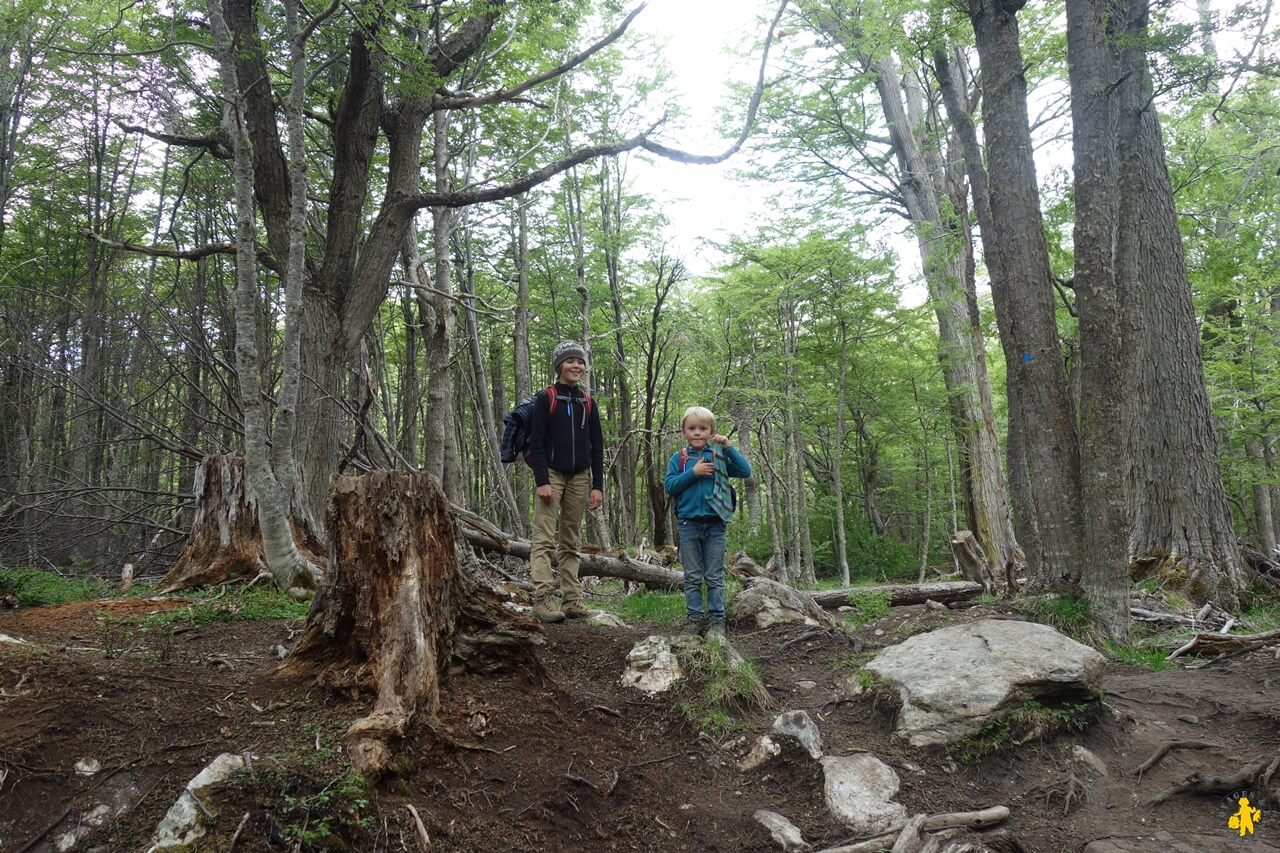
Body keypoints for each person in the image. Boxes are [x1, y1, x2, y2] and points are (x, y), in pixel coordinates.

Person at [526, 341, 604, 623]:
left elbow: (597, 445)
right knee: (544, 538)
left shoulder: (588, 401)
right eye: (571, 361)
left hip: (580, 476)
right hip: (552, 474)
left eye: (580, 362)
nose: (577, 366)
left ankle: (572, 600)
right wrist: (542, 480)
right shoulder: (546, 398)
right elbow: (536, 443)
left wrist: (598, 486)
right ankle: (543, 599)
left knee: (571, 540)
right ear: (559, 365)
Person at [664, 406, 751, 641]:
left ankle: (716, 621)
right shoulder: (679, 458)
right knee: (692, 576)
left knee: (714, 576)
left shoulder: (719, 455)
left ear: (711, 431)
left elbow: (745, 471)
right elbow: (670, 486)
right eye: (692, 428)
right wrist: (694, 472)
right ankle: (694, 620)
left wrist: (729, 447)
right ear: (684, 431)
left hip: (716, 524)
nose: (697, 433)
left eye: (703, 429)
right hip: (688, 524)